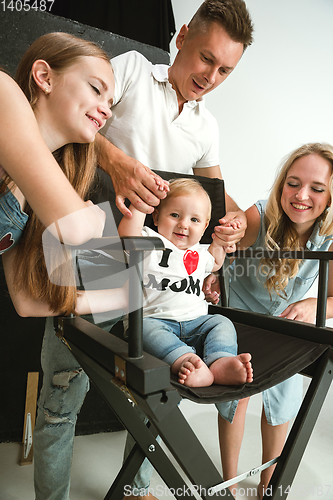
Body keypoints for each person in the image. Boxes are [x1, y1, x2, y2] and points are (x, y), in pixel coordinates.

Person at [205, 142, 333, 498]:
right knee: (236, 393)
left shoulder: (331, 235)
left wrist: (314, 307)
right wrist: (226, 241)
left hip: (287, 323)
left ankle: (269, 484)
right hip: (241, 317)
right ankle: (227, 483)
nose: (301, 195)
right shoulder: (262, 214)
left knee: (283, 398)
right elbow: (236, 231)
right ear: (281, 185)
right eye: (293, 183)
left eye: (317, 188)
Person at [96, 0, 254, 249]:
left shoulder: (207, 126)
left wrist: (238, 217)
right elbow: (70, 118)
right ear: (181, 38)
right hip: (90, 223)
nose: (211, 78)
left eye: (224, 71)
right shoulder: (133, 69)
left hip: (150, 260)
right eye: (206, 58)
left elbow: (217, 197)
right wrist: (115, 163)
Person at [118, 178, 253, 387]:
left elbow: (216, 262)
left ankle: (220, 361)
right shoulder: (148, 240)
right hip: (155, 320)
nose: (183, 224)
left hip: (197, 321)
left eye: (195, 220)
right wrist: (142, 202)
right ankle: (186, 360)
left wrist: (220, 239)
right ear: (155, 215)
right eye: (174, 215)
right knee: (142, 330)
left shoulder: (199, 251)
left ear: (205, 226)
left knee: (221, 322)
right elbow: (127, 236)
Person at [0, 70, 106, 251]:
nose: (107, 111)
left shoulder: (39, 195)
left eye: (110, 104)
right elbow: (74, 227)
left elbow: (21, 279)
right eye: (95, 89)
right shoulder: (4, 91)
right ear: (44, 77)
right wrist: (95, 218)